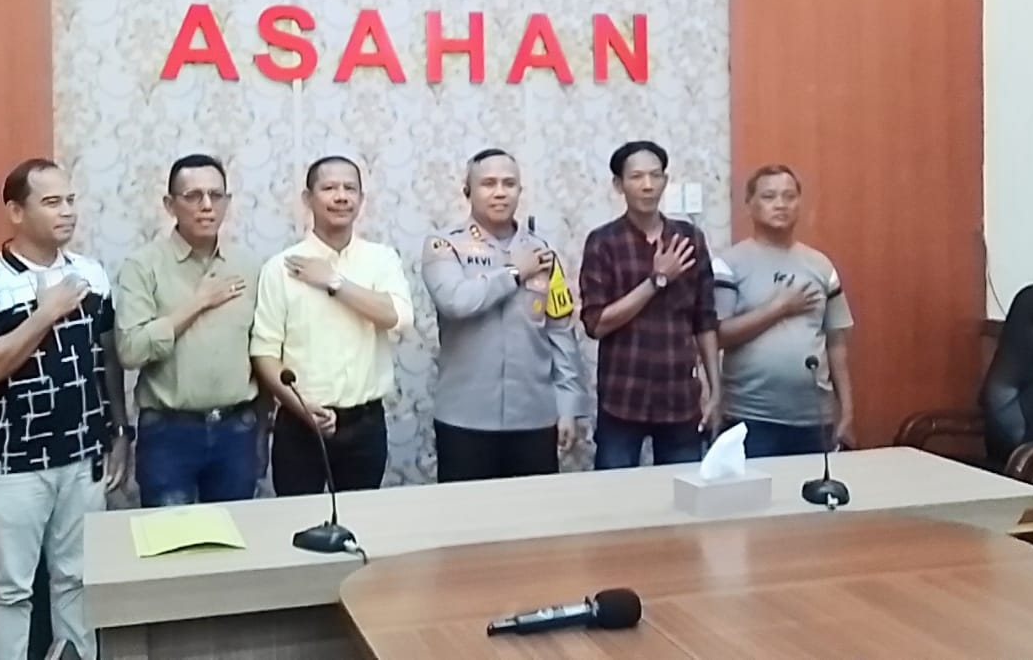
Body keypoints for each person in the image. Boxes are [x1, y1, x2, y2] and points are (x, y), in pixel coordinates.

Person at [0, 158, 130, 660]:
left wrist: (120, 431)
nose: (67, 212)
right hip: (14, 465)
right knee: (10, 589)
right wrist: (45, 313)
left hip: (84, 457)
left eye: (70, 200)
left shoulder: (91, 274)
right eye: (52, 202)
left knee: (76, 578)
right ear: (16, 211)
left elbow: (107, 359)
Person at [423, 149, 589, 482]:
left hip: (535, 418)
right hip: (465, 419)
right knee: (467, 514)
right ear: (468, 191)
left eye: (509, 184)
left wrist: (568, 407)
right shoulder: (445, 245)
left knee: (533, 513)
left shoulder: (542, 252)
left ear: (519, 191)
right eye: (488, 184)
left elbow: (560, 334)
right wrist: (514, 272)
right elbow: (456, 301)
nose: (500, 192)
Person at [251, 156, 413, 494]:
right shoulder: (280, 268)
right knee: (297, 520)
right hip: (299, 423)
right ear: (308, 199)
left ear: (361, 199)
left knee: (360, 519)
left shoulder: (382, 259)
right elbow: (264, 353)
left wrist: (334, 282)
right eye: (329, 188)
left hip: (365, 424)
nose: (341, 196)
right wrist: (301, 409)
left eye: (350, 188)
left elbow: (398, 317)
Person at [115, 154, 261, 507]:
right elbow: (131, 351)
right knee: (169, 536)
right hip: (169, 433)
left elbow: (263, 350)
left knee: (237, 535)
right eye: (193, 196)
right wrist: (198, 303)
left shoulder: (249, 265)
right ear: (170, 205)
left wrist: (264, 424)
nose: (207, 206)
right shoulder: (143, 266)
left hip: (236, 431)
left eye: (216, 195)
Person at [579, 141, 720, 469]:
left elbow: (705, 319)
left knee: (682, 491)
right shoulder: (603, 242)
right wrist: (656, 281)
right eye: (637, 177)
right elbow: (596, 324)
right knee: (614, 495)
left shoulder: (689, 239)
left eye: (655, 176)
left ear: (665, 181)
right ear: (619, 185)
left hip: (680, 397)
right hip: (623, 397)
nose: (647, 185)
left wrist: (716, 390)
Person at [714, 165, 856, 456]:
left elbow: (837, 343)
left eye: (789, 196)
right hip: (750, 415)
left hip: (814, 417)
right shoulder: (729, 264)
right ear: (749, 205)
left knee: (812, 486)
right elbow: (718, 335)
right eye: (769, 196)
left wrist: (848, 410)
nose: (780, 204)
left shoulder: (820, 265)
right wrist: (779, 307)